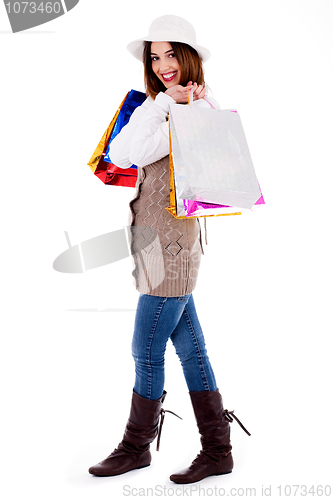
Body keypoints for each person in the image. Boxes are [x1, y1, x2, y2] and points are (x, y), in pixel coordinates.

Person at [88, 14, 249, 484]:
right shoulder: (166, 103)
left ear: (189, 55)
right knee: (190, 346)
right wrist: (161, 104)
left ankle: (136, 446)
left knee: (146, 347)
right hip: (151, 238)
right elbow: (119, 153)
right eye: (154, 57)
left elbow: (137, 152)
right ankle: (218, 450)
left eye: (170, 54)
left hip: (175, 243)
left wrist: (165, 107)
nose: (162, 65)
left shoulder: (201, 108)